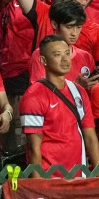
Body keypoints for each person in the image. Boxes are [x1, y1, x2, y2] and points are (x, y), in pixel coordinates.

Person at [22, 34, 99, 177]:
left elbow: (90, 137)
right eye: (57, 54)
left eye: (67, 53)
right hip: (50, 179)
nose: (65, 59)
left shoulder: (79, 92)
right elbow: (34, 148)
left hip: (79, 178)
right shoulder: (33, 96)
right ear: (43, 60)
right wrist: (38, 185)